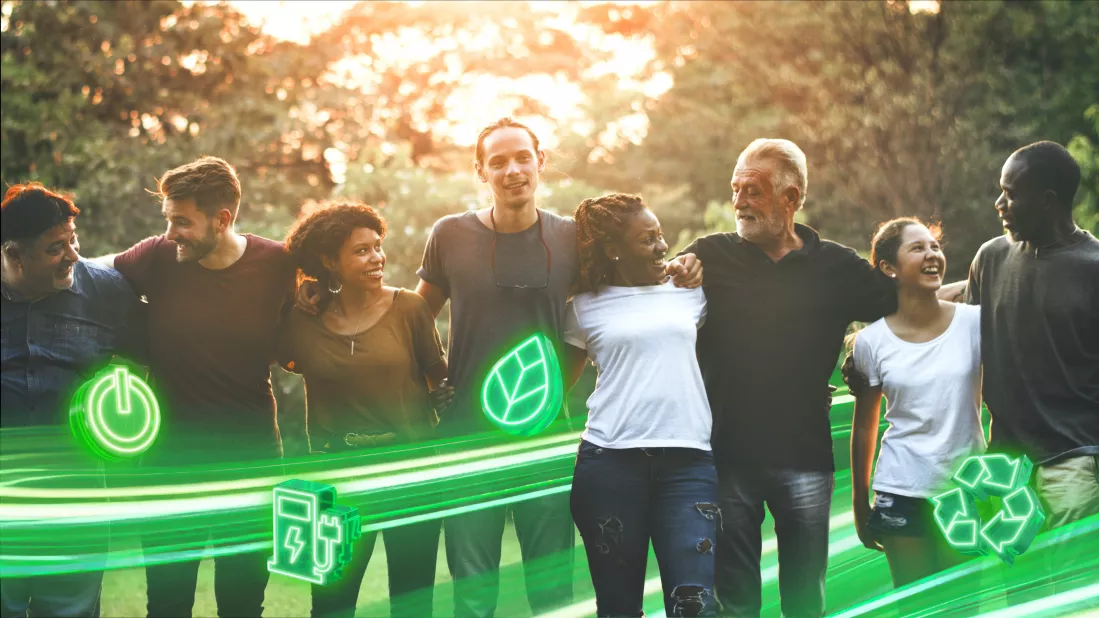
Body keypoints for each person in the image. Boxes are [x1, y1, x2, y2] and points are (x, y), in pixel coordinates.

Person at [415, 118, 703, 617]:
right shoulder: (450, 235)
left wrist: (684, 264)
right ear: (480, 170)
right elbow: (416, 316)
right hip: (467, 441)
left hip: (545, 440)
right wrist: (432, 375)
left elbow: (630, 277)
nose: (512, 170)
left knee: (551, 595)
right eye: (498, 161)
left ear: (540, 162)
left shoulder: (572, 239)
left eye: (523, 157)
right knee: (474, 594)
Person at [680, 138, 914, 618]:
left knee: (806, 600)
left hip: (805, 459)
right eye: (736, 189)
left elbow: (912, 303)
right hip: (726, 459)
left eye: (755, 191)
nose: (740, 202)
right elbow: (656, 288)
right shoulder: (710, 255)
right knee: (735, 601)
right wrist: (674, 268)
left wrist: (981, 291)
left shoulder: (837, 267)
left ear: (791, 199)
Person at [98, 156, 295, 617]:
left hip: (250, 460)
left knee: (243, 600)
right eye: (168, 219)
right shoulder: (157, 257)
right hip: (171, 464)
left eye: (181, 222)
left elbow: (314, 318)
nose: (170, 233)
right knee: (167, 601)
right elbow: (88, 276)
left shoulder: (278, 264)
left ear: (222, 219)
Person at [280, 202, 452, 618]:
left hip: (411, 476)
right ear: (328, 261)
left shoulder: (410, 308)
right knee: (330, 605)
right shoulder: (301, 321)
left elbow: (440, 381)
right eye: (361, 251)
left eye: (378, 247)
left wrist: (445, 405)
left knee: (412, 604)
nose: (377, 258)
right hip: (335, 480)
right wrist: (301, 287)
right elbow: (260, 287)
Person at [563, 194, 717, 617]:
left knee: (696, 606)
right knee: (618, 609)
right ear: (614, 249)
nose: (663, 246)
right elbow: (557, 385)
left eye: (661, 235)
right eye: (647, 239)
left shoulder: (691, 293)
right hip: (610, 466)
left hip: (688, 467)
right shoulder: (582, 306)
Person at [959, 141, 1099, 595]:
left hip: (1073, 464)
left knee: (1070, 595)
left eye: (1010, 194)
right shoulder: (990, 259)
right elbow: (958, 337)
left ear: (1048, 200)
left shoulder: (1094, 269)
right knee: (1018, 597)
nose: (1000, 204)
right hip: (1007, 469)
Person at [1, 183, 142, 617]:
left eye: (73, 240)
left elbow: (164, 343)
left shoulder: (107, 292)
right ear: (13, 255)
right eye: (55, 248)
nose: (73, 255)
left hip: (76, 495)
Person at [846, 218, 984, 590]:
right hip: (900, 493)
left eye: (935, 247)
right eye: (918, 248)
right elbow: (864, 428)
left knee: (961, 607)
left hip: (964, 490)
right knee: (916, 607)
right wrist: (860, 506)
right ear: (889, 268)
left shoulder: (975, 323)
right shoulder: (870, 342)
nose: (932, 255)